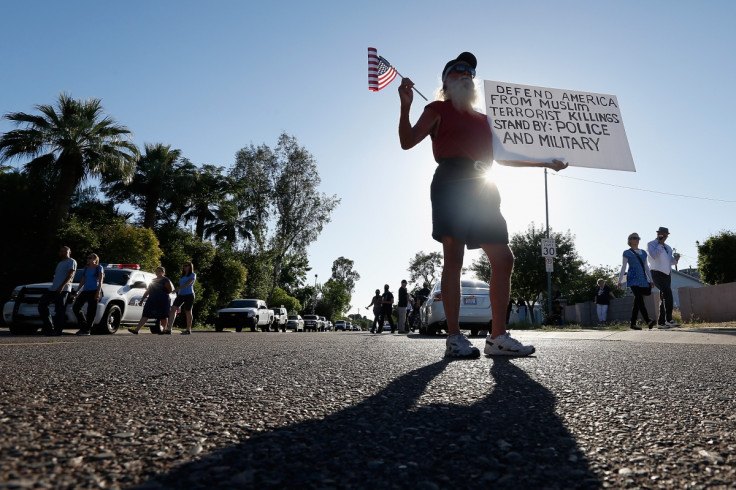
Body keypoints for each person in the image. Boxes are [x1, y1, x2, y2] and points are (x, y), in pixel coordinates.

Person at [398, 52, 568, 358]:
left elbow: (503, 157)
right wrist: (405, 106)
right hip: (451, 181)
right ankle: (453, 337)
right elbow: (408, 141)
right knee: (454, 258)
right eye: (458, 69)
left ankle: (497, 337)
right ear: (446, 81)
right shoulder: (436, 108)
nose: (466, 73)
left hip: (483, 184)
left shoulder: (486, 120)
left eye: (470, 71)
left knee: (504, 259)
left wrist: (546, 162)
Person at [617, 233, 656, 330]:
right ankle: (648, 320)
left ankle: (633, 324)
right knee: (639, 299)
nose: (637, 239)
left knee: (637, 302)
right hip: (633, 278)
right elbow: (623, 267)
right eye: (634, 238)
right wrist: (620, 281)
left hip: (642, 279)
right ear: (630, 240)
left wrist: (651, 280)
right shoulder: (627, 252)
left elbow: (646, 266)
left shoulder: (643, 252)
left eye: (638, 238)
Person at [38, 246, 77, 336]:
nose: (63, 253)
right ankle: (49, 327)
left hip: (63, 289)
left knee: (59, 310)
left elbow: (70, 274)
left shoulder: (71, 261)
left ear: (69, 252)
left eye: (65, 251)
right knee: (42, 305)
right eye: (61, 251)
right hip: (53, 288)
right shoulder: (60, 263)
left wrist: (62, 286)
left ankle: (57, 330)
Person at [647, 227, 681, 328]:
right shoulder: (651, 244)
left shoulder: (668, 247)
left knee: (664, 297)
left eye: (666, 235)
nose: (664, 237)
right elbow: (653, 256)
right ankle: (669, 319)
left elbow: (671, 261)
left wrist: (676, 259)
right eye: (662, 234)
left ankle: (661, 323)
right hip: (656, 273)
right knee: (668, 293)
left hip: (667, 274)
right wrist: (660, 245)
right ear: (658, 234)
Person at [127, 267, 174, 335]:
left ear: (163, 272)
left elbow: (169, 290)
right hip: (151, 300)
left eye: (160, 271)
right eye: (157, 271)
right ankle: (136, 330)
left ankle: (164, 329)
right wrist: (142, 299)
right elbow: (148, 290)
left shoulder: (165, 280)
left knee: (163, 316)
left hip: (163, 300)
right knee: (146, 314)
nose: (158, 272)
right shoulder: (153, 280)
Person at [71, 253, 104, 336]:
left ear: (95, 259)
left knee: (91, 311)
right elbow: (83, 280)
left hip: (94, 290)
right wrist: (77, 291)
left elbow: (100, 281)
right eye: (87, 258)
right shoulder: (86, 268)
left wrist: (98, 293)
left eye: (90, 258)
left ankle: (87, 330)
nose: (88, 259)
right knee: (76, 307)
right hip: (85, 290)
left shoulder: (99, 268)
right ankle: (84, 326)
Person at [168, 261, 196, 335]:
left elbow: (188, 284)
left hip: (189, 294)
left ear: (190, 266)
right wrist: (178, 291)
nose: (184, 267)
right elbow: (182, 284)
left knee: (188, 311)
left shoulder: (193, 275)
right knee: (173, 308)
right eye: (184, 266)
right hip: (181, 295)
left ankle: (188, 329)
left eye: (186, 266)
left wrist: (177, 289)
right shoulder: (183, 276)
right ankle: (169, 328)